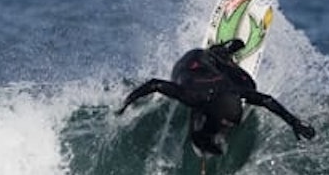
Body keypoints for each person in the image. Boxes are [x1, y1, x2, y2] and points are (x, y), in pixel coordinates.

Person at [116, 39, 316, 157]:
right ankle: (220, 52)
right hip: (193, 60)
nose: (230, 125)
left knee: (249, 85)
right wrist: (126, 103)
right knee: (201, 128)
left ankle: (222, 55)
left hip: (212, 75)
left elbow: (266, 100)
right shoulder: (196, 98)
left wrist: (294, 122)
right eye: (227, 122)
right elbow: (154, 84)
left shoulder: (235, 91)